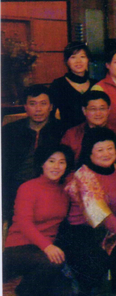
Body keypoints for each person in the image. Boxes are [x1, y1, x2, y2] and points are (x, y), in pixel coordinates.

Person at [3, 144, 78, 296]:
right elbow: (24, 222)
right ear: (42, 164)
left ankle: (27, 284)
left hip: (47, 248)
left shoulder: (65, 190)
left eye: (62, 162)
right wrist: (47, 246)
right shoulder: (28, 187)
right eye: (51, 161)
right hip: (20, 246)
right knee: (51, 264)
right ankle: (27, 294)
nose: (56, 166)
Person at [60, 128, 116, 296]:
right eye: (100, 150)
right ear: (89, 153)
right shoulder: (83, 175)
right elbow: (98, 213)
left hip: (111, 229)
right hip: (81, 231)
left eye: (110, 148)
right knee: (96, 266)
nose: (106, 154)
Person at [2, 85, 64, 221]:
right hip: (15, 189)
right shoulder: (9, 130)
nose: (38, 109)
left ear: (51, 107)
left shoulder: (61, 130)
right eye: (32, 104)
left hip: (50, 189)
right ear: (25, 107)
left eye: (43, 104)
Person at [48, 42, 95, 130]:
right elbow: (50, 115)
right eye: (73, 57)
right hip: (68, 134)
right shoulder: (58, 84)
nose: (78, 61)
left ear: (88, 59)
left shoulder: (96, 84)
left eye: (82, 57)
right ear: (67, 61)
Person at [61, 91, 116, 162]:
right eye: (93, 109)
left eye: (102, 108)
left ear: (109, 110)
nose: (98, 113)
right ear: (84, 110)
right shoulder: (72, 135)